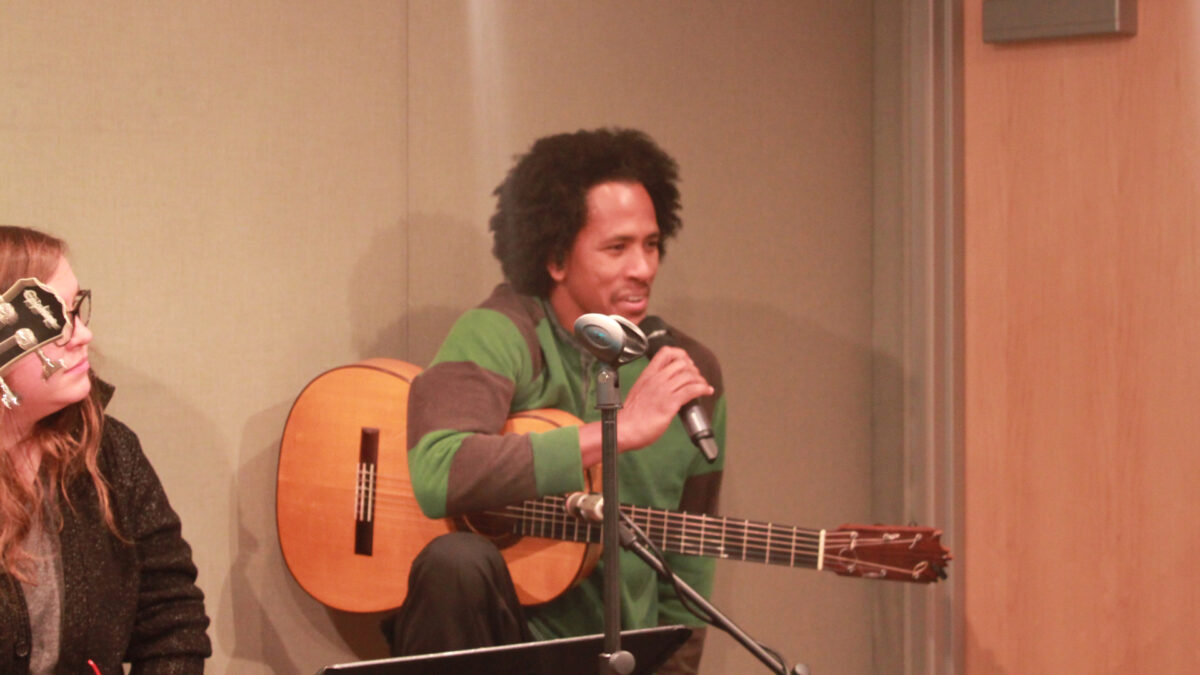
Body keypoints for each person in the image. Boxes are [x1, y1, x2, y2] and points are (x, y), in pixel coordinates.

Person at [385, 129, 725, 673]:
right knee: (456, 560)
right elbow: (438, 469)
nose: (643, 268)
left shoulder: (687, 370)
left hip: (618, 656)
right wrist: (617, 432)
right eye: (617, 248)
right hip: (502, 642)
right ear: (555, 257)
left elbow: (691, 556)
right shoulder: (502, 332)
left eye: (652, 244)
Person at [0, 226, 211, 674]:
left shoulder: (110, 452)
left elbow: (173, 621)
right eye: (52, 323)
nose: (82, 336)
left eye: (75, 309)